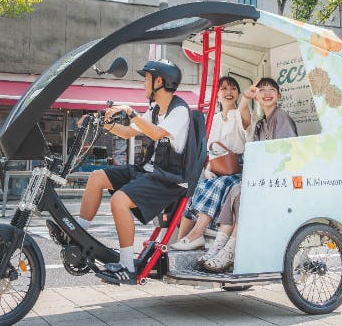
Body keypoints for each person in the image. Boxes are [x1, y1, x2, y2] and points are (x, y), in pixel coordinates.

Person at [76, 59, 190, 283]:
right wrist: (102, 123)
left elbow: (157, 133)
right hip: (149, 172)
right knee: (97, 177)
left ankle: (127, 266)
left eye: (146, 79)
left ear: (159, 81)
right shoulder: (155, 109)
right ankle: (78, 234)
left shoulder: (180, 111)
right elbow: (129, 132)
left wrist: (130, 111)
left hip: (169, 180)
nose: (143, 84)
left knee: (119, 200)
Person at [201, 77, 297, 272]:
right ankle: (219, 246)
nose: (267, 93)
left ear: (278, 96)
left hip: (280, 183)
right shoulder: (261, 123)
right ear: (257, 97)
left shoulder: (281, 117)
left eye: (272, 90)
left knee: (245, 197)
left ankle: (230, 251)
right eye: (262, 90)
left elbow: (287, 152)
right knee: (235, 190)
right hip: (265, 179)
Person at [170, 76, 252, 253]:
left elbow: (246, 119)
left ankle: (196, 234)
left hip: (239, 168)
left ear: (238, 93)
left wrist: (246, 98)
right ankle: (180, 243)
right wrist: (208, 168)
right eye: (223, 88)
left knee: (219, 184)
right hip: (218, 166)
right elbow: (211, 149)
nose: (228, 92)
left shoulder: (240, 113)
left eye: (232, 88)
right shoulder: (214, 118)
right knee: (197, 187)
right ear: (216, 94)